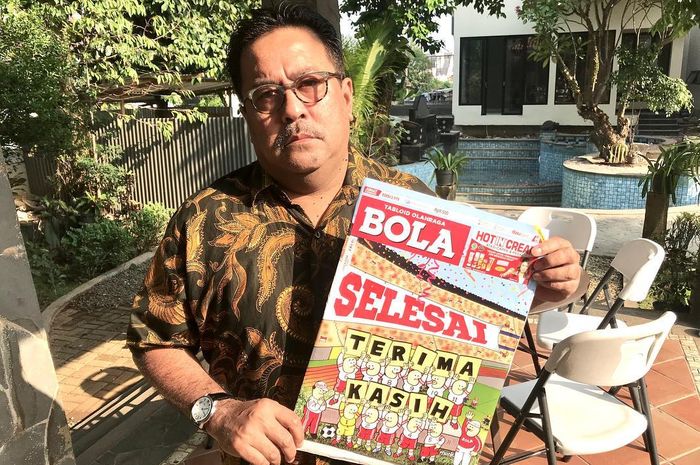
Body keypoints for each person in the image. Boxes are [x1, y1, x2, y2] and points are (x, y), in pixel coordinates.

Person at [126, 5, 582, 465]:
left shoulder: (417, 205)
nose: (292, 109)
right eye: (266, 95)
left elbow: (466, 317)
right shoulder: (204, 221)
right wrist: (217, 411)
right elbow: (155, 339)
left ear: (345, 96)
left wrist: (534, 292)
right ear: (246, 113)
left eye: (310, 84)